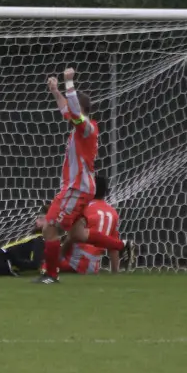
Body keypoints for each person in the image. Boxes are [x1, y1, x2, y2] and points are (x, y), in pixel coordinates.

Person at [39, 68, 132, 284]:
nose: (70, 112)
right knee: (79, 233)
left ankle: (51, 276)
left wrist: (69, 83)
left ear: (80, 110)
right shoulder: (77, 127)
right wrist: (55, 91)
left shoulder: (88, 128)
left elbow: (72, 111)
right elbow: (65, 108)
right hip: (79, 187)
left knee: (50, 228)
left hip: (76, 188)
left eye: (75, 109)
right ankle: (122, 246)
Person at [57, 175, 128, 276]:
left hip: (73, 262)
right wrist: (115, 272)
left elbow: (72, 237)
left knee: (48, 246)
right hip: (93, 266)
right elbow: (113, 248)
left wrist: (59, 256)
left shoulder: (84, 207)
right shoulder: (113, 213)